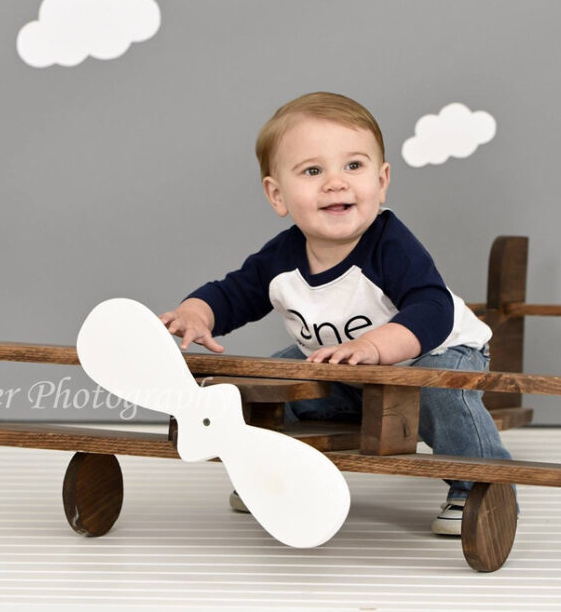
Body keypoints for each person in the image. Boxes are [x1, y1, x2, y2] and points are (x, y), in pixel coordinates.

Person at [160, 91, 515, 535]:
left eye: (354, 166)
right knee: (267, 384)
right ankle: (274, 474)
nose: (336, 182)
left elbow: (432, 309)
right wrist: (197, 313)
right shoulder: (281, 258)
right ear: (277, 194)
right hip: (344, 366)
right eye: (312, 171)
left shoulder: (389, 244)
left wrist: (373, 346)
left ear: (381, 181)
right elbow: (234, 292)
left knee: (443, 393)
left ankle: (481, 485)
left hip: (435, 351)